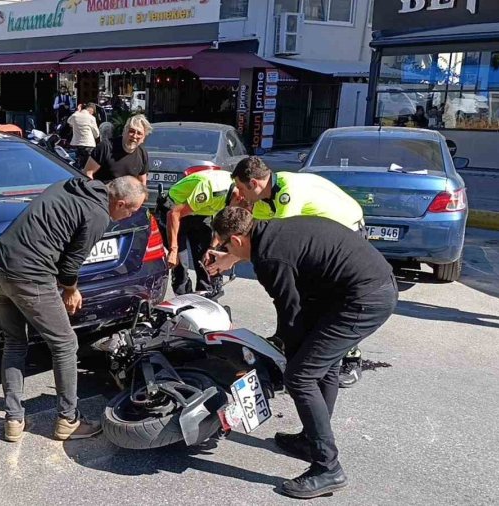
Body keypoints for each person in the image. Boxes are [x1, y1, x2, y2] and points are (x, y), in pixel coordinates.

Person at [210, 207, 397, 499]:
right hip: (357, 288)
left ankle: (327, 468)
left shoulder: (270, 257)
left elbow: (290, 312)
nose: (223, 249)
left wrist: (286, 354)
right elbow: (297, 307)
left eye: (223, 244)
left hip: (363, 298)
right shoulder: (271, 233)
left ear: (235, 239)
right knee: (326, 367)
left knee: (300, 377)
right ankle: (312, 441)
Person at [0, 176, 147, 443]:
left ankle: (13, 420)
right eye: (131, 209)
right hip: (31, 277)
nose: (131, 215)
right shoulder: (98, 214)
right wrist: (70, 290)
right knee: (65, 344)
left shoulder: (69, 186)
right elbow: (70, 265)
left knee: (15, 343)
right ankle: (68, 420)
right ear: (119, 203)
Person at [220, 156, 367, 387]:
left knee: (336, 302)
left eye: (240, 188)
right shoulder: (264, 198)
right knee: (297, 294)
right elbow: (250, 240)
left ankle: (350, 357)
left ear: (254, 184)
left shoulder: (287, 194)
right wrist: (228, 256)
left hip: (346, 232)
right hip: (321, 239)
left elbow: (277, 243)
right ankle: (288, 340)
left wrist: (230, 259)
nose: (240, 195)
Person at [162, 169, 246, 294]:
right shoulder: (213, 191)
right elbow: (173, 214)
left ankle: (207, 296)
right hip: (176, 210)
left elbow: (222, 225)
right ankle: (183, 297)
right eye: (239, 209)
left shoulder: (239, 194)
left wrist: (211, 247)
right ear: (239, 198)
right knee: (180, 262)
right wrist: (173, 250)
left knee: (207, 258)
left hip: (202, 212)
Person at [84, 114, 152, 184]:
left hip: (128, 194)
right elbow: (87, 173)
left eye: (139, 133)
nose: (134, 136)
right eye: (131, 131)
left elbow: (142, 181)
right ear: (124, 131)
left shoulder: (142, 153)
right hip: (103, 193)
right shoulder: (105, 147)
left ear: (143, 138)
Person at [67, 102, 100, 169]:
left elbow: (69, 121)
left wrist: (77, 111)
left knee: (80, 162)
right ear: (91, 110)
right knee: (87, 165)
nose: (92, 113)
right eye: (93, 112)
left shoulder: (75, 116)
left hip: (78, 143)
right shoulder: (91, 118)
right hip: (89, 144)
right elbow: (96, 134)